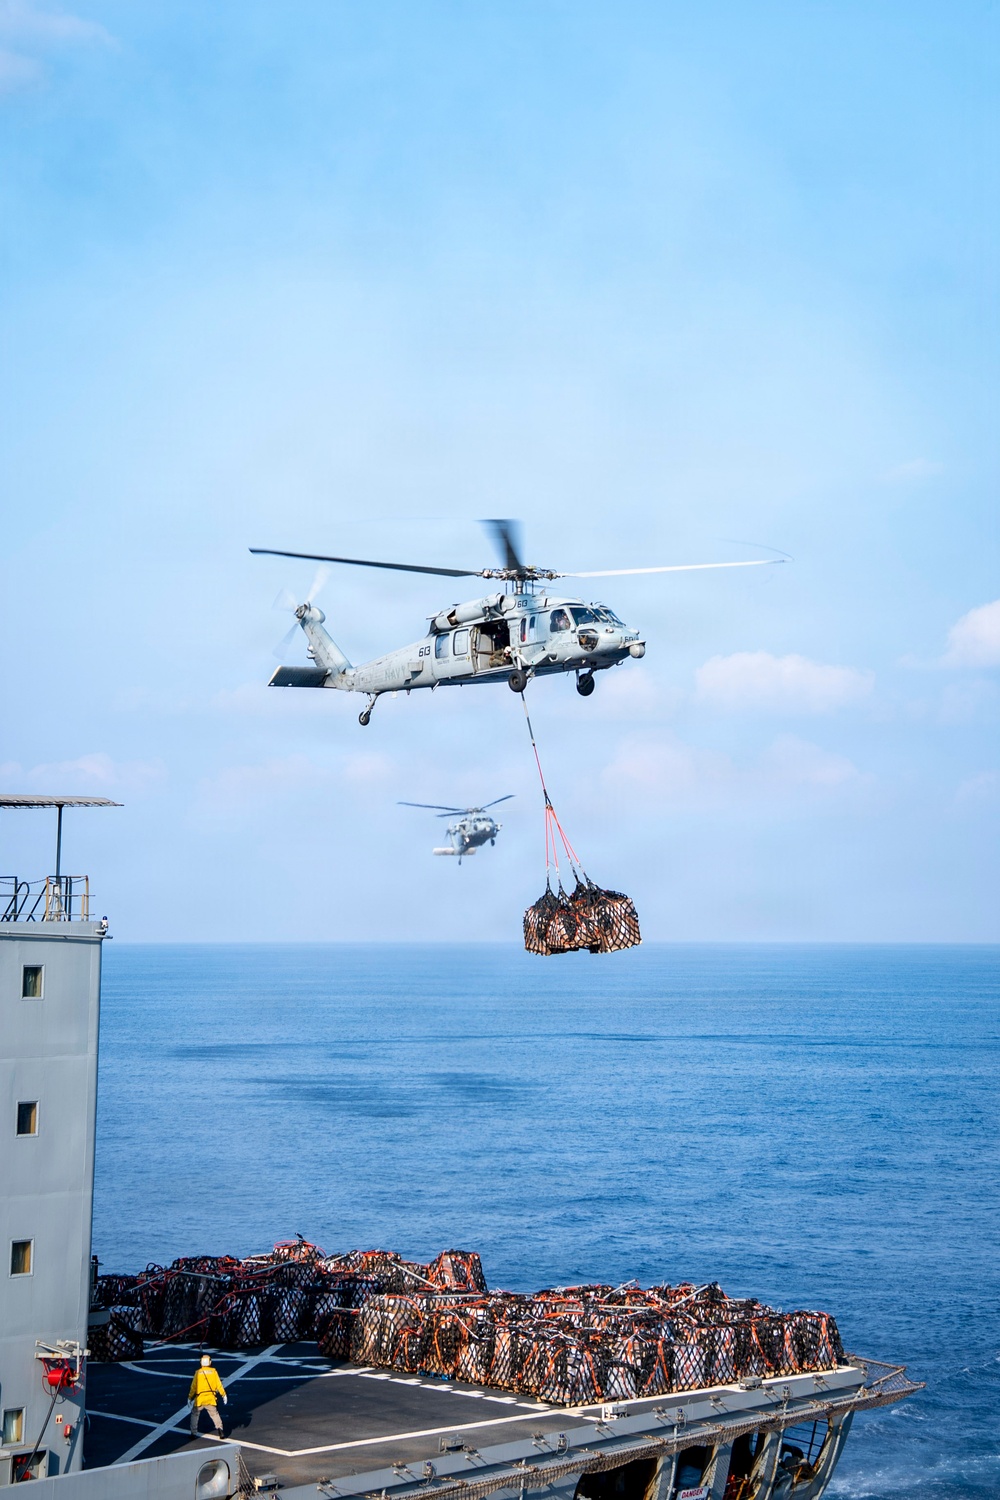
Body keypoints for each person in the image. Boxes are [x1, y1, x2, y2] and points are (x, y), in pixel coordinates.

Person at [189, 1353, 227, 1438]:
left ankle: (193, 1433)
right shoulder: (213, 1371)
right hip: (210, 1398)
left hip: (200, 1399)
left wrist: (190, 1397)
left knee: (195, 1414)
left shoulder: (198, 1372)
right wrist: (223, 1395)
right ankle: (220, 1430)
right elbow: (219, 1384)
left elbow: (193, 1387)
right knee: (214, 1414)